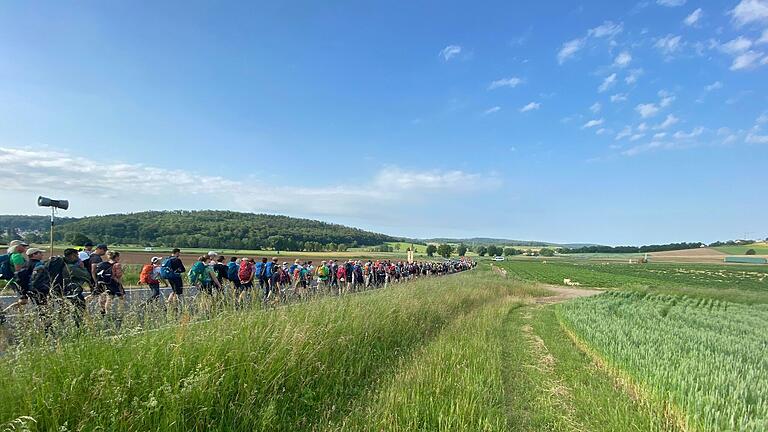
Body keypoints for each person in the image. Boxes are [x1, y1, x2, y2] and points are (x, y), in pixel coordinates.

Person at [2, 240, 30, 314]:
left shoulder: (12, 255)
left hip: (14, 280)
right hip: (18, 281)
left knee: (22, 300)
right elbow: (18, 270)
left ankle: (20, 315)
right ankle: (4, 312)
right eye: (23, 246)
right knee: (23, 300)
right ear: (17, 247)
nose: (25, 248)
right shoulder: (17, 256)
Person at [97, 251, 125, 315]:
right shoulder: (117, 264)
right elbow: (118, 275)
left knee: (102, 297)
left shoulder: (103, 264)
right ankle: (117, 312)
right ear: (116, 257)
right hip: (113, 283)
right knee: (118, 298)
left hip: (102, 282)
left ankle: (102, 311)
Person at [84, 244, 108, 312]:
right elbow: (93, 270)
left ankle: (103, 310)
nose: (105, 252)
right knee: (100, 295)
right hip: (96, 280)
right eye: (104, 250)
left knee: (98, 295)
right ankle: (103, 311)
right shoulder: (96, 258)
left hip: (92, 279)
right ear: (99, 249)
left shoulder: (91, 255)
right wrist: (96, 281)